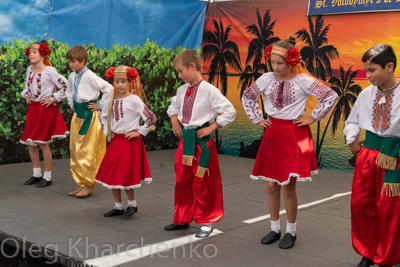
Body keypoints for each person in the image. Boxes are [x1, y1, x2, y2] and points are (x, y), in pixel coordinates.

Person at [242, 35, 338, 249]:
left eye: (280, 63)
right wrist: (258, 118)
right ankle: (274, 228)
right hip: (273, 133)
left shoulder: (303, 80)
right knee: (271, 185)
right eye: (272, 62)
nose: (275, 67)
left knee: (287, 186)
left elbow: (330, 95)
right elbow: (247, 96)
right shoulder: (266, 79)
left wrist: (313, 117)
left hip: (294, 134)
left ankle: (291, 232)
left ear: (292, 61)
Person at [164, 49, 236, 238]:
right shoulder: (182, 90)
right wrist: (174, 119)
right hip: (185, 143)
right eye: (178, 72)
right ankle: (182, 217)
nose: (179, 75)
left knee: (203, 182)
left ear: (192, 66)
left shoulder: (210, 90)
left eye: (181, 71)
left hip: (202, 144)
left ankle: (206, 221)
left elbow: (229, 111)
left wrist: (212, 128)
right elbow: (173, 105)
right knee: (182, 181)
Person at [343, 44, 400, 267]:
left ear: (389, 67)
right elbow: (352, 120)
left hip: (394, 157)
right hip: (368, 156)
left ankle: (389, 256)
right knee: (360, 204)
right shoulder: (366, 93)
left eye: (372, 70)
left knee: (389, 208)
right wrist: (351, 139)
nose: (367, 76)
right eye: (365, 70)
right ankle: (368, 251)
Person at [95, 65, 156, 217]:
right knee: (112, 174)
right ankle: (118, 206)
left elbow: (151, 118)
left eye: (123, 81)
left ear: (130, 82)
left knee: (125, 174)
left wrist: (139, 132)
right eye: (117, 81)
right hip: (116, 141)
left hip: (129, 143)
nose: (120, 85)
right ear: (113, 82)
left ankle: (132, 204)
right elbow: (102, 117)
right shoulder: (110, 100)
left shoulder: (134, 100)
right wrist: (107, 132)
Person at [65, 45, 113, 198]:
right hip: (77, 115)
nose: (71, 64)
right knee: (76, 148)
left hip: (89, 117)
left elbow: (109, 89)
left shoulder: (90, 76)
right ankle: (82, 183)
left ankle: (89, 184)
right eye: (70, 62)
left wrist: (99, 105)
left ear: (83, 61)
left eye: (74, 62)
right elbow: (69, 90)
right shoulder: (72, 76)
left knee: (87, 150)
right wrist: (72, 104)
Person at [21, 40, 69, 188]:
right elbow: (26, 87)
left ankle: (47, 176)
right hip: (34, 108)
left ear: (43, 54)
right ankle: (36, 174)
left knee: (43, 142)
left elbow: (67, 86)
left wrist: (53, 98)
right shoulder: (29, 69)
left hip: (45, 109)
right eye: (30, 52)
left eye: (34, 52)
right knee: (30, 142)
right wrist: (26, 95)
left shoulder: (49, 71)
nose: (31, 55)